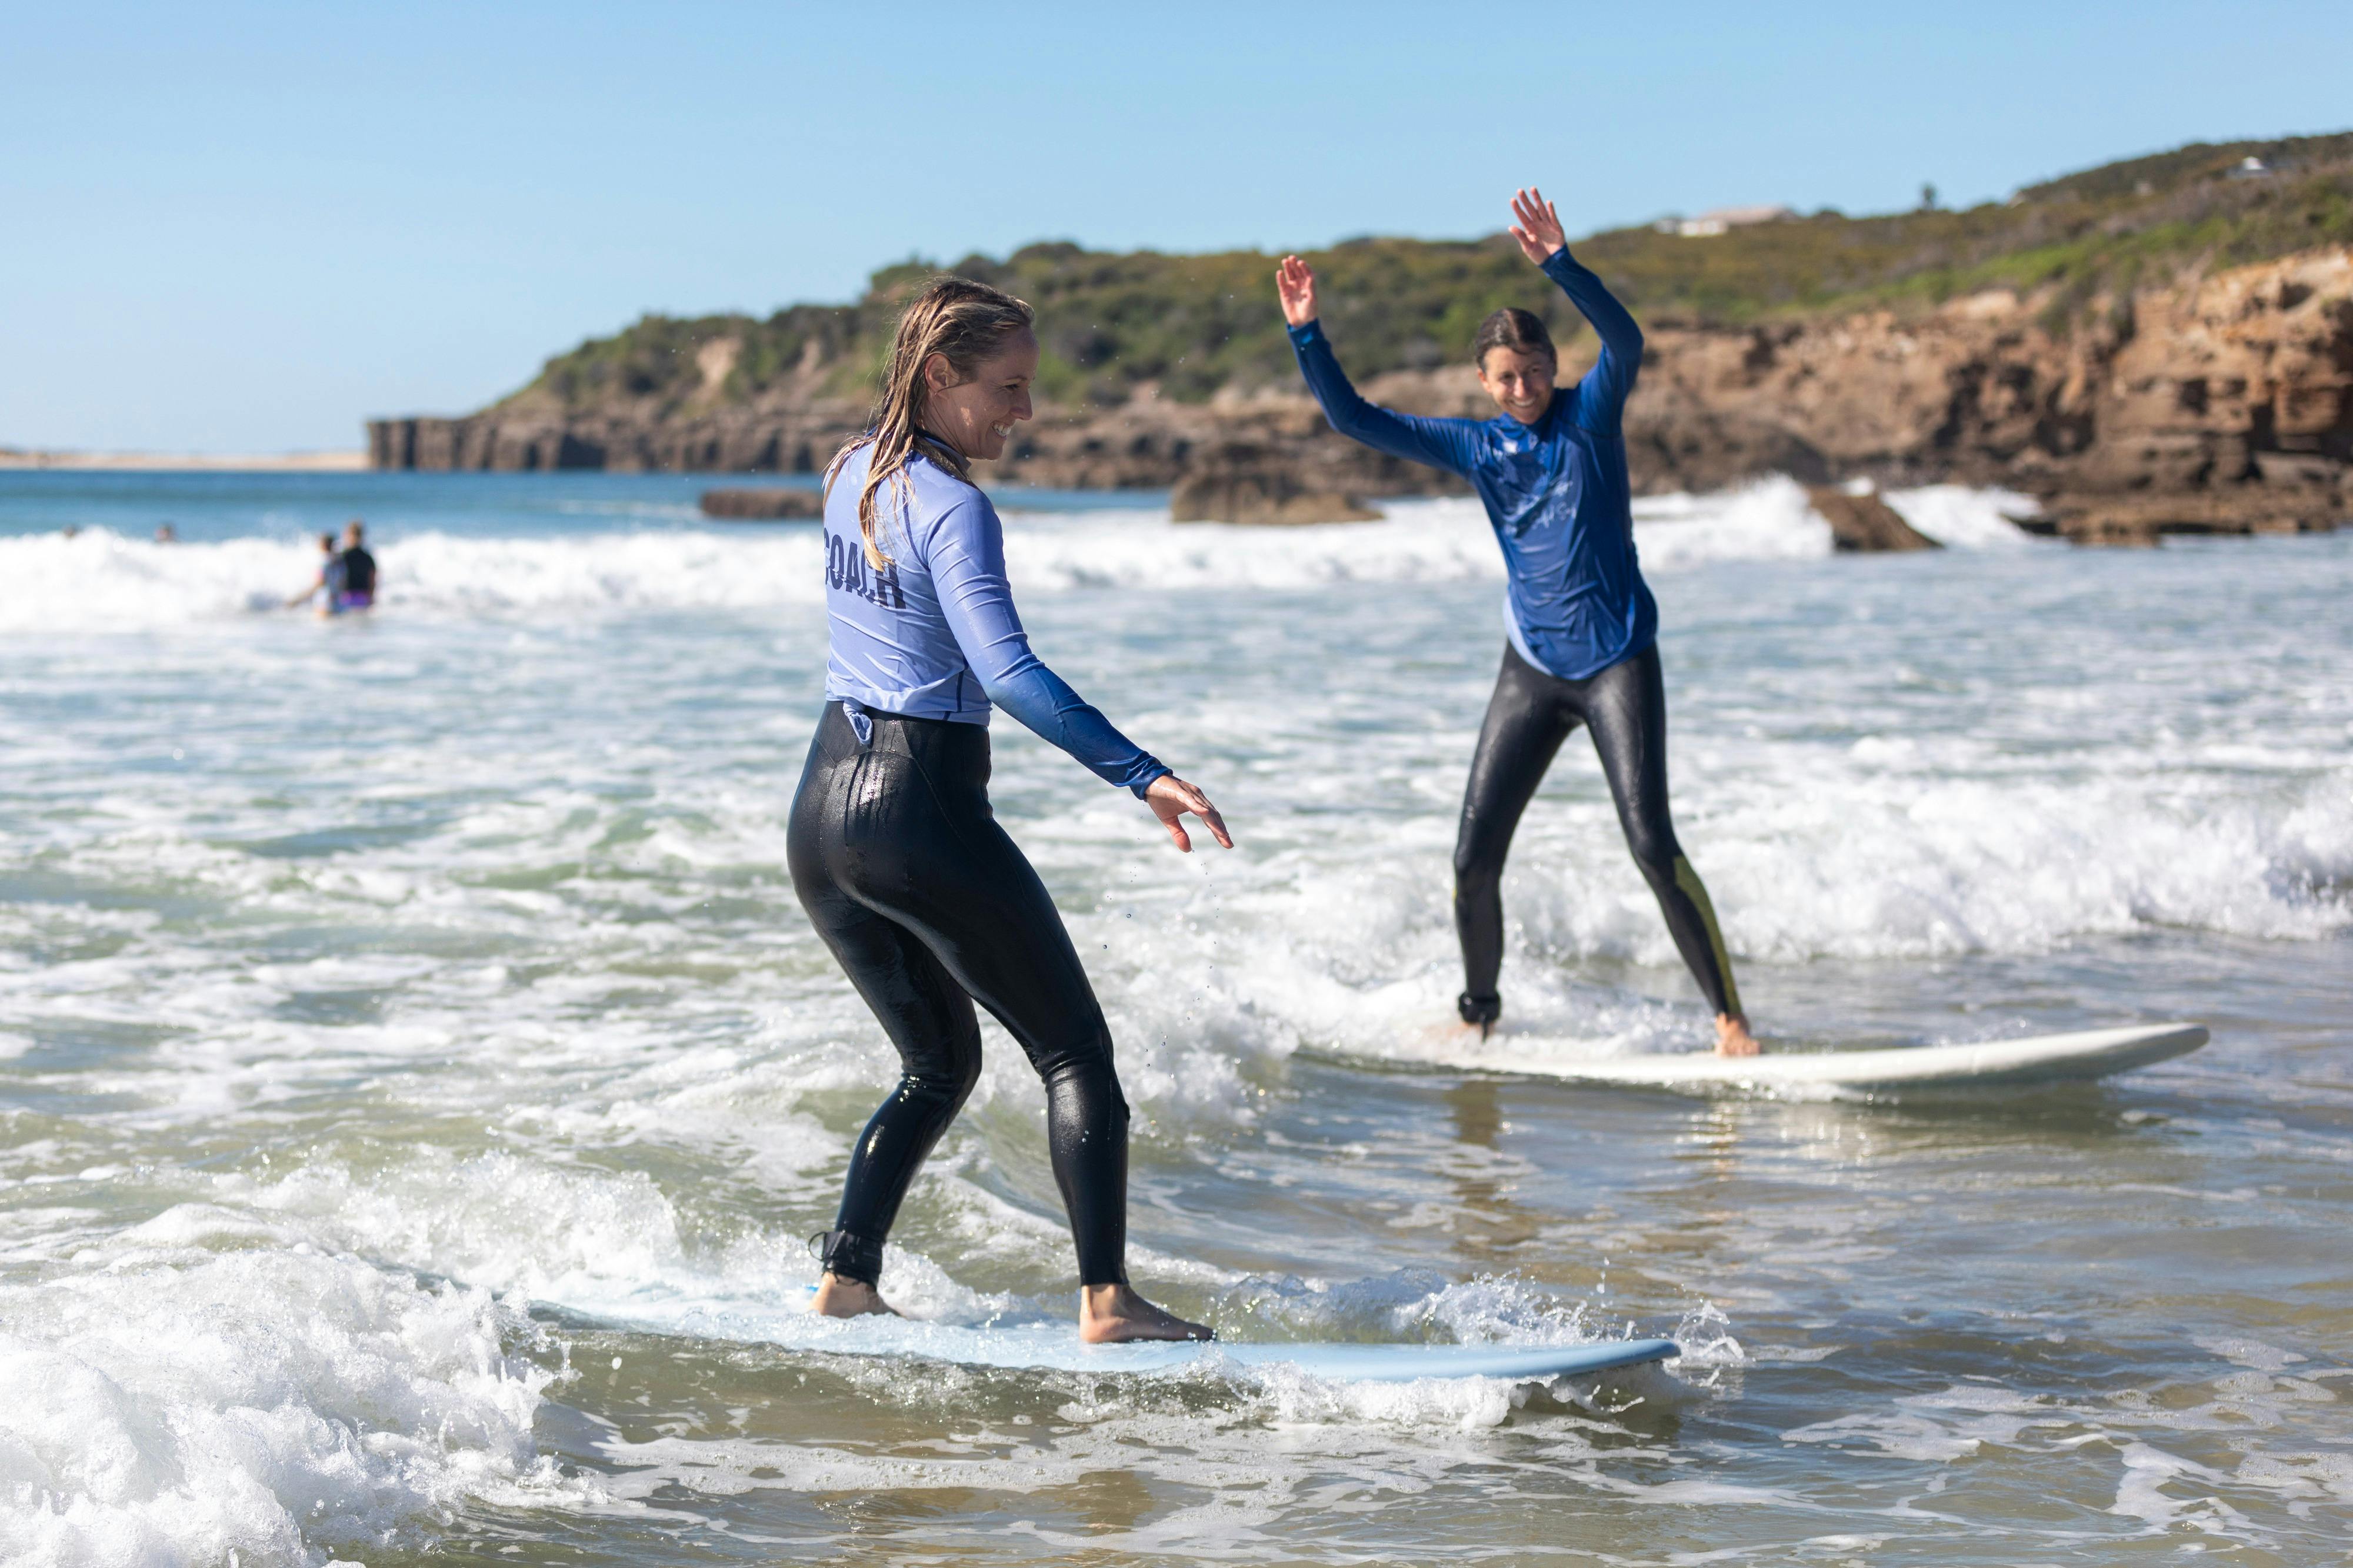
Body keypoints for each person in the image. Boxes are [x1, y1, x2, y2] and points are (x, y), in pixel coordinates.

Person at [791, 275, 1231, 1342]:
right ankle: (1109, 1300)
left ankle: (847, 1278)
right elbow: (1009, 674)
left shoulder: (849, 470)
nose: (1024, 412)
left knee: (938, 1062)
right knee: (1076, 1054)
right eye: (1008, 386)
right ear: (941, 376)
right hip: (915, 806)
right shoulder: (957, 508)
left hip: (821, 812)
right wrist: (1140, 771)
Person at [1275, 188, 1758, 1057]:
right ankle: (1480, 1013)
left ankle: (1729, 1017)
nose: (1524, 386)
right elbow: (1354, 419)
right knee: (1472, 859)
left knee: (1651, 842)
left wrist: (1562, 266)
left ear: (1552, 364)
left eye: (1535, 370)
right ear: (1484, 382)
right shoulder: (1475, 445)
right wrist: (1308, 332)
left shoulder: (1592, 414)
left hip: (1617, 658)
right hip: (1532, 665)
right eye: (1506, 376)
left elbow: (1629, 340)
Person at [286, 533, 338, 612]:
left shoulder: (323, 563)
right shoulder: (340, 563)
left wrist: (297, 600)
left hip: (324, 604)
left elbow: (319, 584)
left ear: (323, 545)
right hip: (337, 603)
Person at [331, 521, 376, 613]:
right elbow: (372, 579)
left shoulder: (342, 556)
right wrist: (371, 597)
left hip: (347, 597)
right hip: (363, 597)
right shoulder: (367, 557)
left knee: (348, 624)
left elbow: (336, 578)